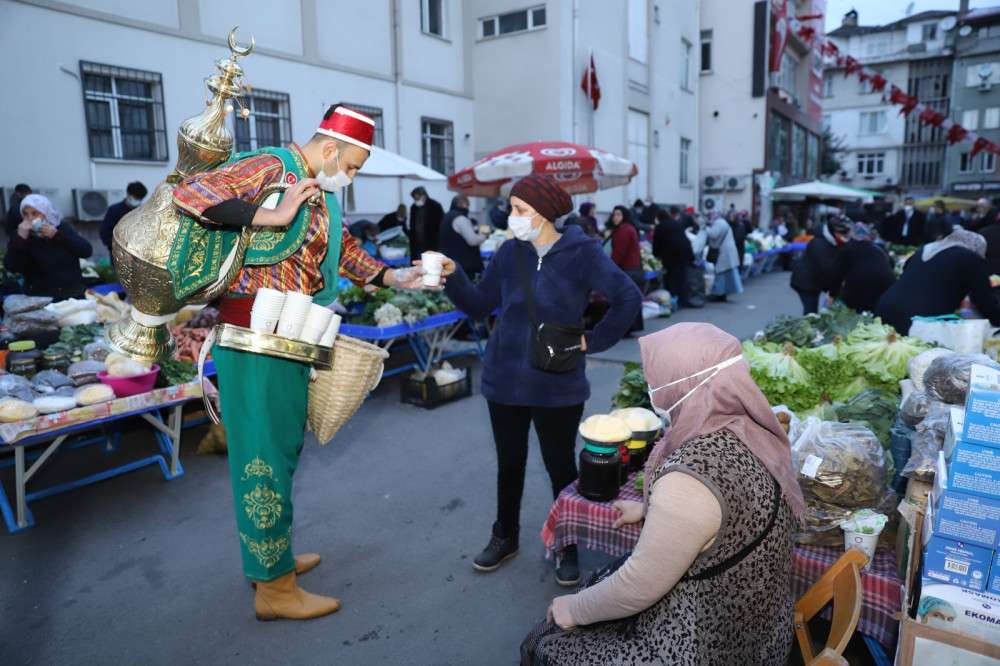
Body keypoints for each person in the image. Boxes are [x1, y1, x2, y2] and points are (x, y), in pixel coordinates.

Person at [171, 104, 443, 621]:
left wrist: (397, 277)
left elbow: (346, 252)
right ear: (330, 148)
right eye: (353, 166)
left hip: (290, 337)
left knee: (282, 452)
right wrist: (272, 216)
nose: (352, 176)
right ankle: (274, 589)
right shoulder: (272, 166)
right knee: (262, 458)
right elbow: (190, 194)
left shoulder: (320, 194)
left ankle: (273, 556)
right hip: (254, 339)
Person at [522, 323, 802, 665]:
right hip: (762, 626)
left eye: (656, 377)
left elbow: (638, 585)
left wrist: (573, 609)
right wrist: (651, 510)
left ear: (683, 384)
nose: (652, 387)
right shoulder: (752, 431)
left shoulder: (690, 476)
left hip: (709, 645)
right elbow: (728, 509)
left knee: (545, 643)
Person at [441, 174, 641, 587]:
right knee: (509, 464)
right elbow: (479, 304)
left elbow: (628, 297)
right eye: (512, 208)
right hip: (504, 379)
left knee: (560, 466)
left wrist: (592, 340)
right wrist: (453, 275)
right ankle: (505, 536)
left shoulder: (583, 252)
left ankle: (566, 543)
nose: (510, 216)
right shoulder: (508, 253)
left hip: (557, 382)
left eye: (520, 209)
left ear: (545, 213)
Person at [875, 228, 1000, 335]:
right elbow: (984, 300)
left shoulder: (925, 249)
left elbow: (910, 274)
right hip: (920, 321)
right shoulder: (972, 258)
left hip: (885, 308)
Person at [4, 194, 93, 300]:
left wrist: (57, 235)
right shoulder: (21, 235)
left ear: (46, 213)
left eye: (35, 213)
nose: (30, 218)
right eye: (25, 214)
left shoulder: (61, 228)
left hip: (72, 294)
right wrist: (20, 239)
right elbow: (12, 266)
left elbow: (86, 251)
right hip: (40, 298)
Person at [830, 223, 896, 314]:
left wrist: (833, 294)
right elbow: (892, 263)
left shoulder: (847, 249)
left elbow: (836, 274)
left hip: (860, 284)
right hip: (886, 284)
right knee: (877, 312)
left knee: (857, 312)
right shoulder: (879, 247)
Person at [790, 218, 848, 314]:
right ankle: (809, 322)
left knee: (813, 310)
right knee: (811, 311)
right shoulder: (818, 244)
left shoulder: (832, 241)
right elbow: (827, 269)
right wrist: (834, 291)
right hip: (805, 282)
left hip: (815, 281)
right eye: (841, 233)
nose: (843, 236)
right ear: (832, 232)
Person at [606, 205, 645, 333]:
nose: (615, 217)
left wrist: (610, 268)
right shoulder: (629, 228)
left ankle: (626, 328)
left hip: (627, 270)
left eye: (618, 214)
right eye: (614, 214)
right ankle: (631, 327)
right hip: (634, 269)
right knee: (631, 299)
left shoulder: (623, 231)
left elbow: (619, 253)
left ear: (624, 216)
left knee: (625, 300)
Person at [652, 207, 697, 308]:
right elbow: (685, 240)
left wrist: (656, 254)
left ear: (659, 217)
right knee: (682, 277)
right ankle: (683, 299)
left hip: (670, 256)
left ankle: (672, 299)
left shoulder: (660, 227)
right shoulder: (676, 223)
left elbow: (656, 243)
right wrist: (691, 256)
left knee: (670, 278)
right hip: (683, 254)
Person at [439, 194, 486, 279]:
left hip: (448, 261)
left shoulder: (446, 216)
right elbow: (472, 241)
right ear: (462, 204)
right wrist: (484, 236)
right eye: (467, 205)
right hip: (462, 265)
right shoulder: (460, 218)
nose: (468, 207)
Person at [100, 181, 147, 254]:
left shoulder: (143, 211)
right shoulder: (114, 210)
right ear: (128, 194)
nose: (137, 200)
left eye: (139, 199)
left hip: (139, 252)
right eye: (135, 197)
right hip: (118, 251)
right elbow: (105, 232)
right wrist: (115, 247)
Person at [705, 212, 743, 302]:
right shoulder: (723, 222)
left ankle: (719, 294)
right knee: (726, 274)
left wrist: (704, 228)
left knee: (720, 273)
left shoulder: (718, 223)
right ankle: (722, 294)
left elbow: (713, 234)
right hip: (728, 252)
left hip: (723, 252)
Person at [409, 186, 444, 258]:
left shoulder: (435, 206)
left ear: (424, 196)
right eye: (415, 199)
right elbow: (412, 225)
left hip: (432, 243)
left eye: (418, 198)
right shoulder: (414, 207)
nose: (416, 200)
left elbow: (441, 224)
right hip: (417, 243)